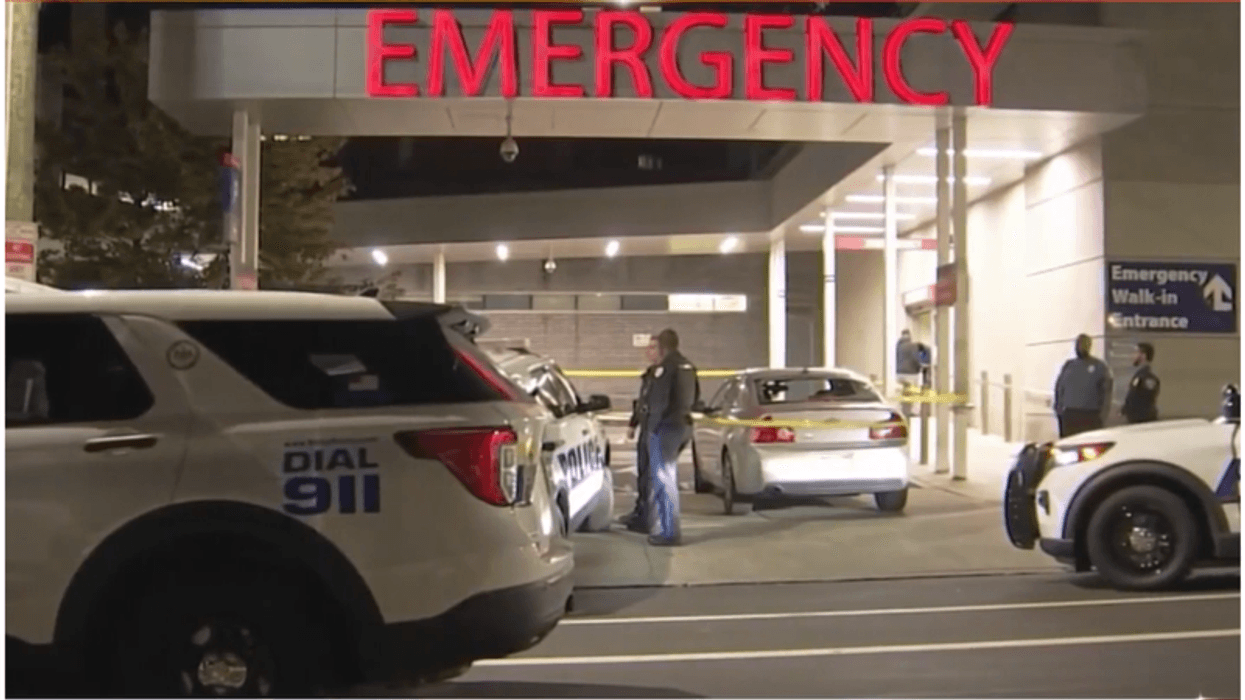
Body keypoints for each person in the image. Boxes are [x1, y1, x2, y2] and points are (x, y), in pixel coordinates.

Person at [642, 329, 700, 547]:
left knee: (664, 480)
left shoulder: (666, 368)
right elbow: (696, 397)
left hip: (665, 428)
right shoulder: (688, 366)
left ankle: (669, 532)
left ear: (663, 347)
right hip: (683, 426)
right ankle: (664, 527)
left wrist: (652, 427)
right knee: (668, 476)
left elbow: (659, 401)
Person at [620, 338, 660, 533]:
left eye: (653, 348)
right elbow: (642, 401)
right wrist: (633, 423)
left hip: (658, 431)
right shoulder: (650, 375)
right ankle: (641, 512)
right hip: (646, 429)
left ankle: (650, 518)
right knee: (643, 473)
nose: (648, 351)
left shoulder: (666, 375)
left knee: (652, 476)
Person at [1053, 334, 1113, 438]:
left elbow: (1107, 392)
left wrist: (1103, 416)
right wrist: (1058, 409)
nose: (1080, 347)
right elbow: (1059, 388)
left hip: (1090, 415)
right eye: (1078, 344)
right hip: (1070, 415)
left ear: (1089, 346)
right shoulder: (1069, 365)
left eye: (1083, 344)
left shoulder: (1099, 366)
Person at [1121, 342, 1161, 425]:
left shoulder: (1148, 377)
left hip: (1142, 420)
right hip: (1135, 419)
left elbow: (1145, 400)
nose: (1132, 355)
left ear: (1143, 355)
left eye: (1135, 352)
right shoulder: (1139, 375)